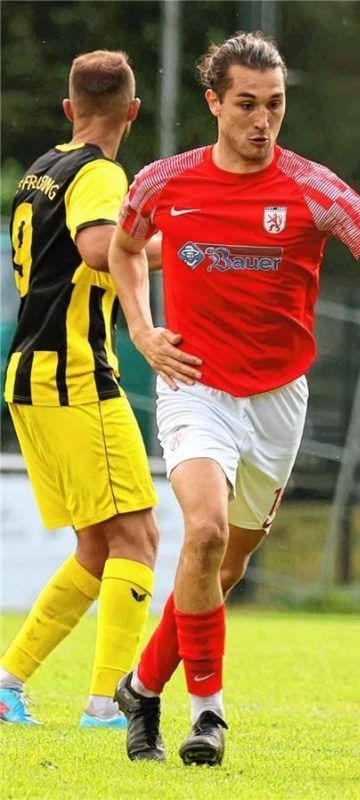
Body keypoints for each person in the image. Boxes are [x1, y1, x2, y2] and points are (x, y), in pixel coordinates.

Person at [109, 32, 360, 763]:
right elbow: (126, 250)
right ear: (214, 102)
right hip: (196, 387)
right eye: (246, 104)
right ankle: (208, 716)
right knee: (206, 531)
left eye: (275, 105)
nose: (262, 120)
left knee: (223, 568)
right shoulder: (164, 182)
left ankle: (142, 687)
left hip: (280, 399)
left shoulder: (315, 190)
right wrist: (143, 328)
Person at [0, 50, 183, 729]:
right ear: (132, 112)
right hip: (75, 374)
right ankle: (108, 703)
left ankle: (7, 681)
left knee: (99, 548)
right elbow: (103, 249)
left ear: (69, 109)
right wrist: (184, 242)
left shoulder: (40, 171)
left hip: (30, 374)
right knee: (139, 539)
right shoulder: (101, 174)